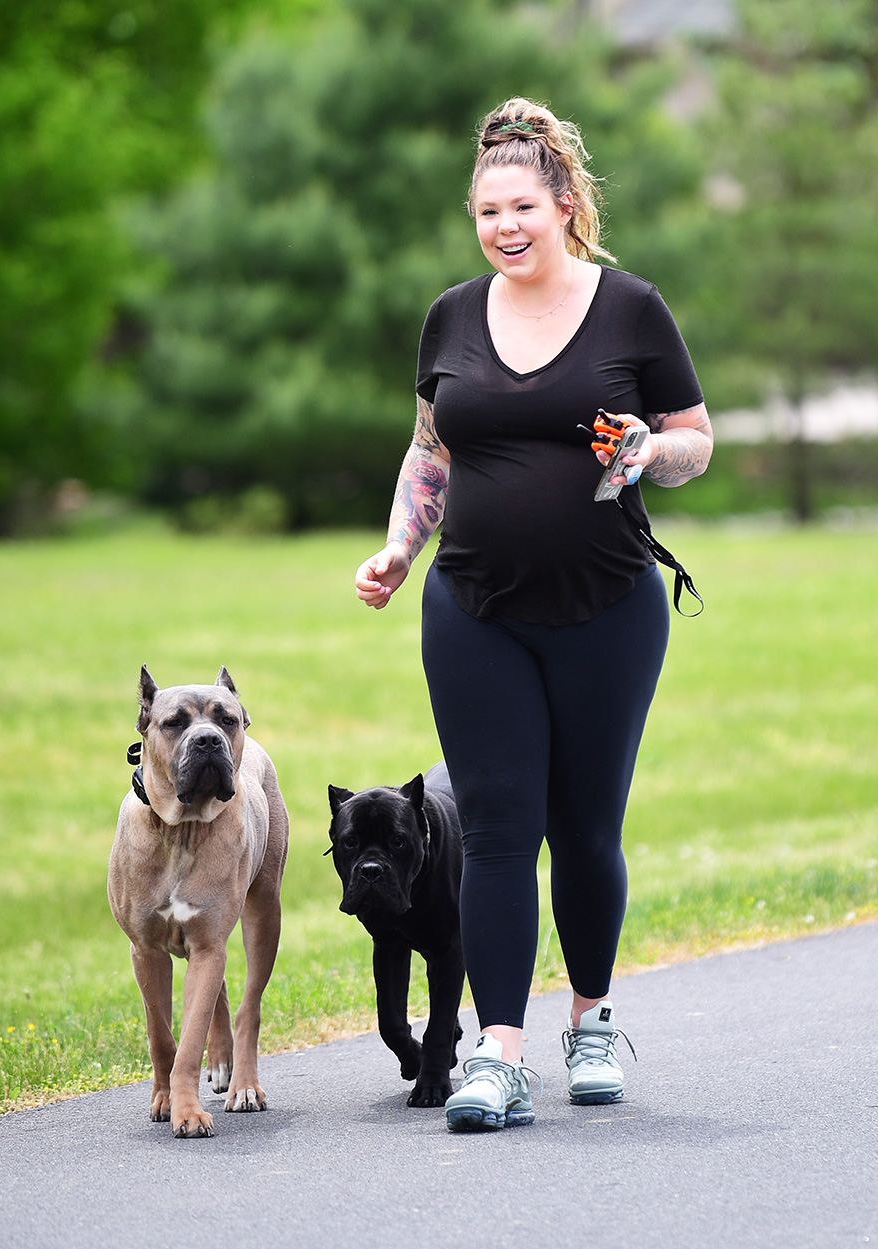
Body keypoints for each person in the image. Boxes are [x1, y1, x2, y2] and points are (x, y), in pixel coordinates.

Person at [355, 97, 713, 1133]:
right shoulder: (452, 316)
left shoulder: (631, 308)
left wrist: (652, 449)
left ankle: (591, 1018)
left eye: (521, 206)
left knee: (583, 829)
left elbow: (697, 438)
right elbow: (431, 449)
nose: (504, 226)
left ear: (564, 204)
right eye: (485, 212)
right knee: (500, 828)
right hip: (472, 606)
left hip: (608, 605)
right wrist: (396, 545)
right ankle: (495, 1052)